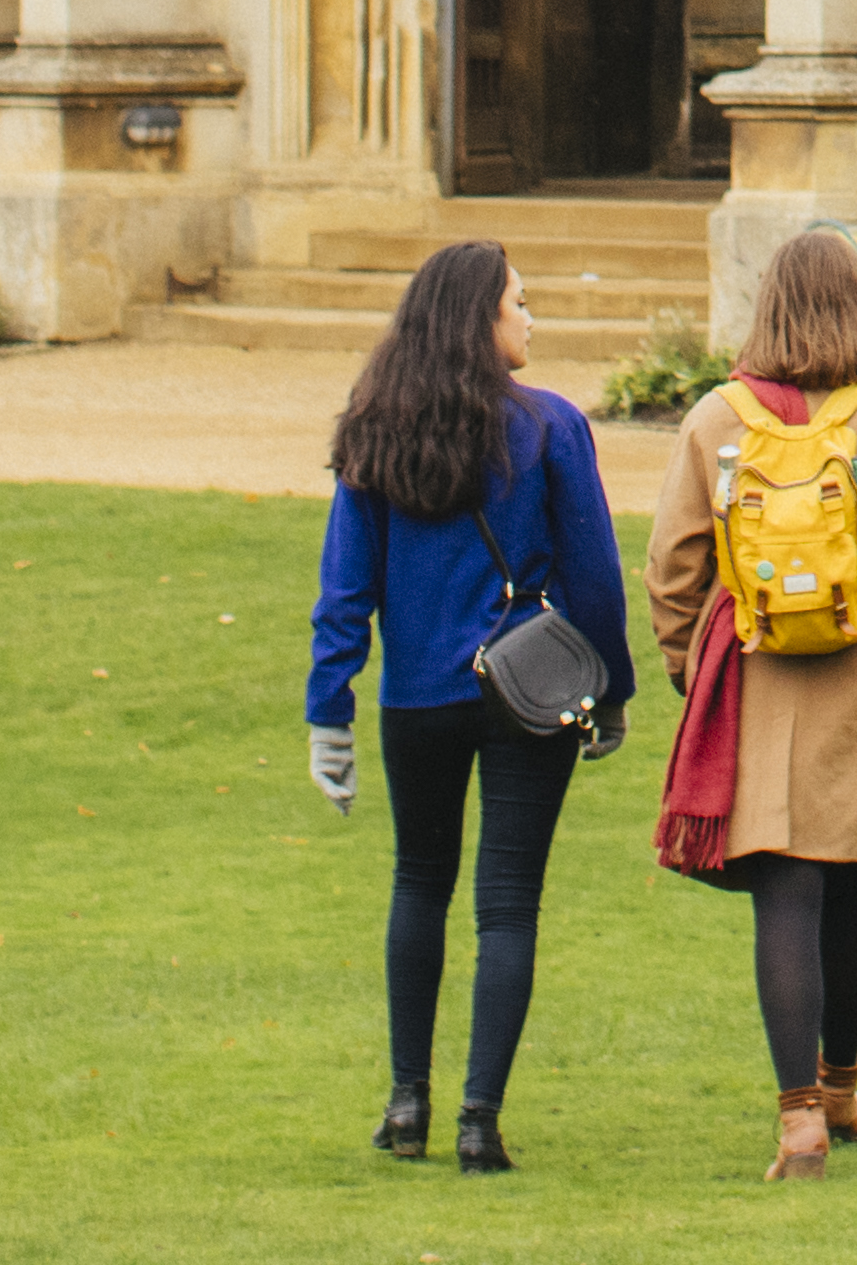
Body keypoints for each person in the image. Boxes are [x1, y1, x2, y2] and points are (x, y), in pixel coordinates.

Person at [640, 221, 857, 1180]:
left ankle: (800, 1119)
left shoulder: (718, 419)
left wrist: (688, 666)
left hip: (760, 681)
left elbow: (673, 566)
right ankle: (839, 1084)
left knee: (785, 889)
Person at [301, 235, 629, 1174]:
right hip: (530, 688)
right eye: (519, 302)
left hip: (420, 694)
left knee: (420, 883)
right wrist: (611, 689)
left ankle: (409, 1099)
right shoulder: (550, 426)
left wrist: (331, 710)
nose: (532, 318)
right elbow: (594, 577)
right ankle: (479, 1116)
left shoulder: (376, 426)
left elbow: (345, 589)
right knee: (507, 904)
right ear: (481, 318)